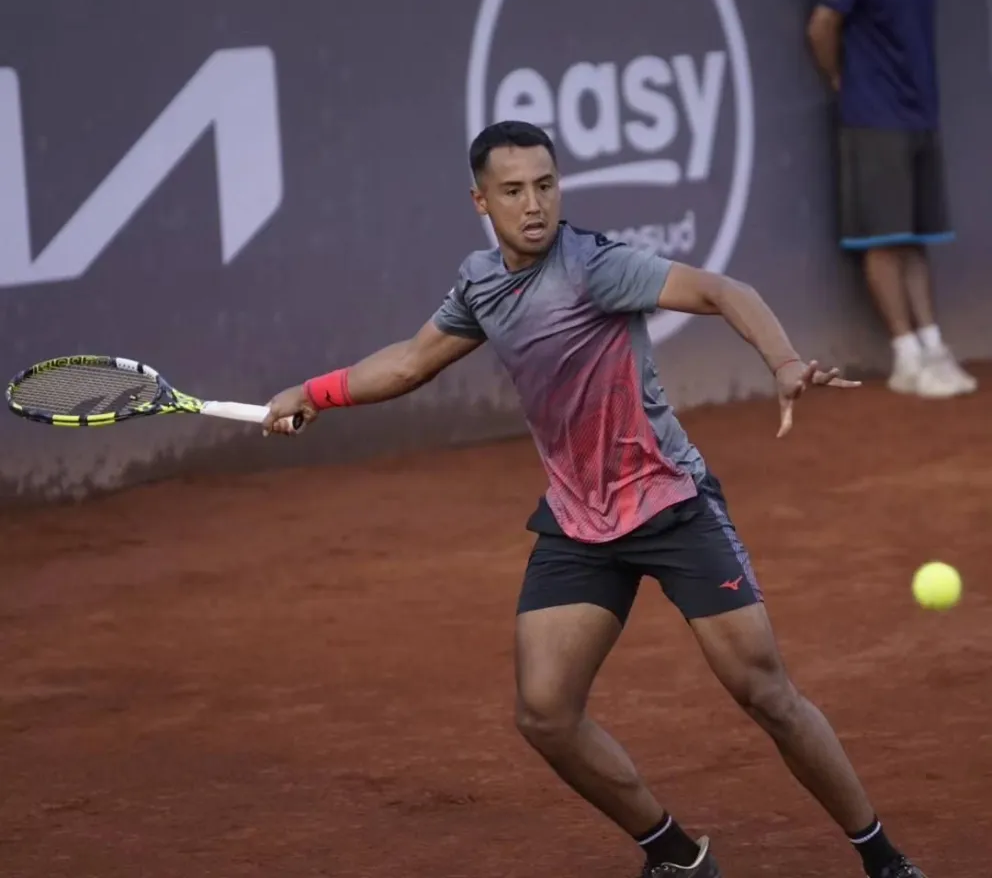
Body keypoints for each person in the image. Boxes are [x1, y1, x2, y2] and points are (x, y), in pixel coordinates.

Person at [263, 121, 929, 878]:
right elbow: (413, 362)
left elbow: (720, 289)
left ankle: (882, 858)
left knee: (765, 692)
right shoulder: (482, 285)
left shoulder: (593, 268)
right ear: (480, 200)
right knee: (545, 712)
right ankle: (676, 855)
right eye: (513, 191)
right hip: (580, 523)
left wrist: (779, 360)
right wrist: (313, 393)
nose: (534, 204)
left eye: (546, 185)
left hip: (671, 503)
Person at [806, 0, 976, 399]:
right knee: (882, 240)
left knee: (914, 237)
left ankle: (931, 345)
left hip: (921, 113)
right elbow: (822, 26)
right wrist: (842, 79)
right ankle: (906, 356)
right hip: (873, 115)